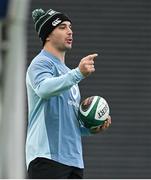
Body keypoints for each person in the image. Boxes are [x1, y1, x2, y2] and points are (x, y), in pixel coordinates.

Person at [26, 8, 111, 179]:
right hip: (47, 158)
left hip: (74, 161)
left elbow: (69, 123)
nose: (70, 31)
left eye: (70, 27)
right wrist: (78, 73)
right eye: (62, 27)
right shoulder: (40, 63)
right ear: (48, 35)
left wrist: (91, 129)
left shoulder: (68, 73)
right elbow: (43, 89)